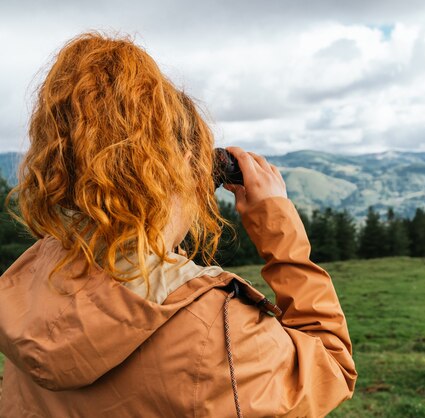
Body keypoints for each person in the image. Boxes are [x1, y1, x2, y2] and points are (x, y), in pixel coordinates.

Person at [0, 32, 357, 417]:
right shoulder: (217, 330)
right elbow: (331, 367)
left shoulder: (33, 280)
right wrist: (278, 227)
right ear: (179, 169)